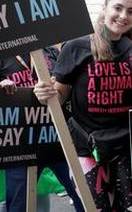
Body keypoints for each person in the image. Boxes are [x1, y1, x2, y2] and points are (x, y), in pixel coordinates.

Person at [33, 0, 132, 211]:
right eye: (118, 8)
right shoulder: (77, 45)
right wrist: (45, 94)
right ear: (104, 9)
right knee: (95, 208)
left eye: (130, 11)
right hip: (86, 146)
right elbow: (60, 93)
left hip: (125, 145)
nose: (123, 16)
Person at [1, 48, 85, 212]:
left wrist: (60, 84)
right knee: (19, 204)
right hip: (21, 141)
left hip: (57, 136)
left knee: (83, 193)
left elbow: (69, 82)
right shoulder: (4, 53)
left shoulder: (51, 51)